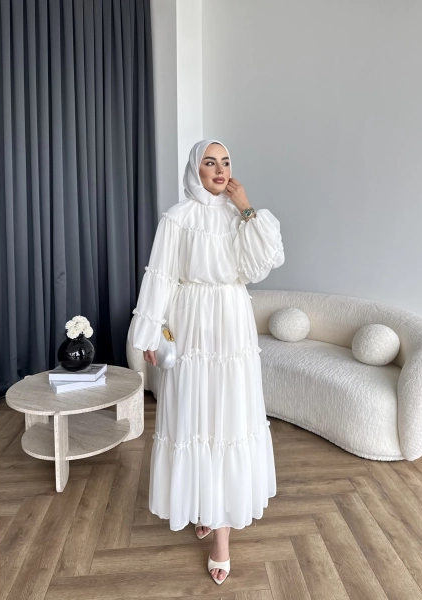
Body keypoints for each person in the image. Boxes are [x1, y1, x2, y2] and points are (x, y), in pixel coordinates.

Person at [128, 139, 285, 584]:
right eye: (210, 163)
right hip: (191, 326)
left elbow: (264, 264)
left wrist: (246, 206)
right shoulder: (177, 218)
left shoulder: (240, 217)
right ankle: (204, 505)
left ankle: (221, 539)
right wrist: (148, 331)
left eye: (226, 162)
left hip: (232, 325)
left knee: (228, 421)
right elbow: (161, 276)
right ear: (194, 169)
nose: (219, 170)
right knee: (194, 419)